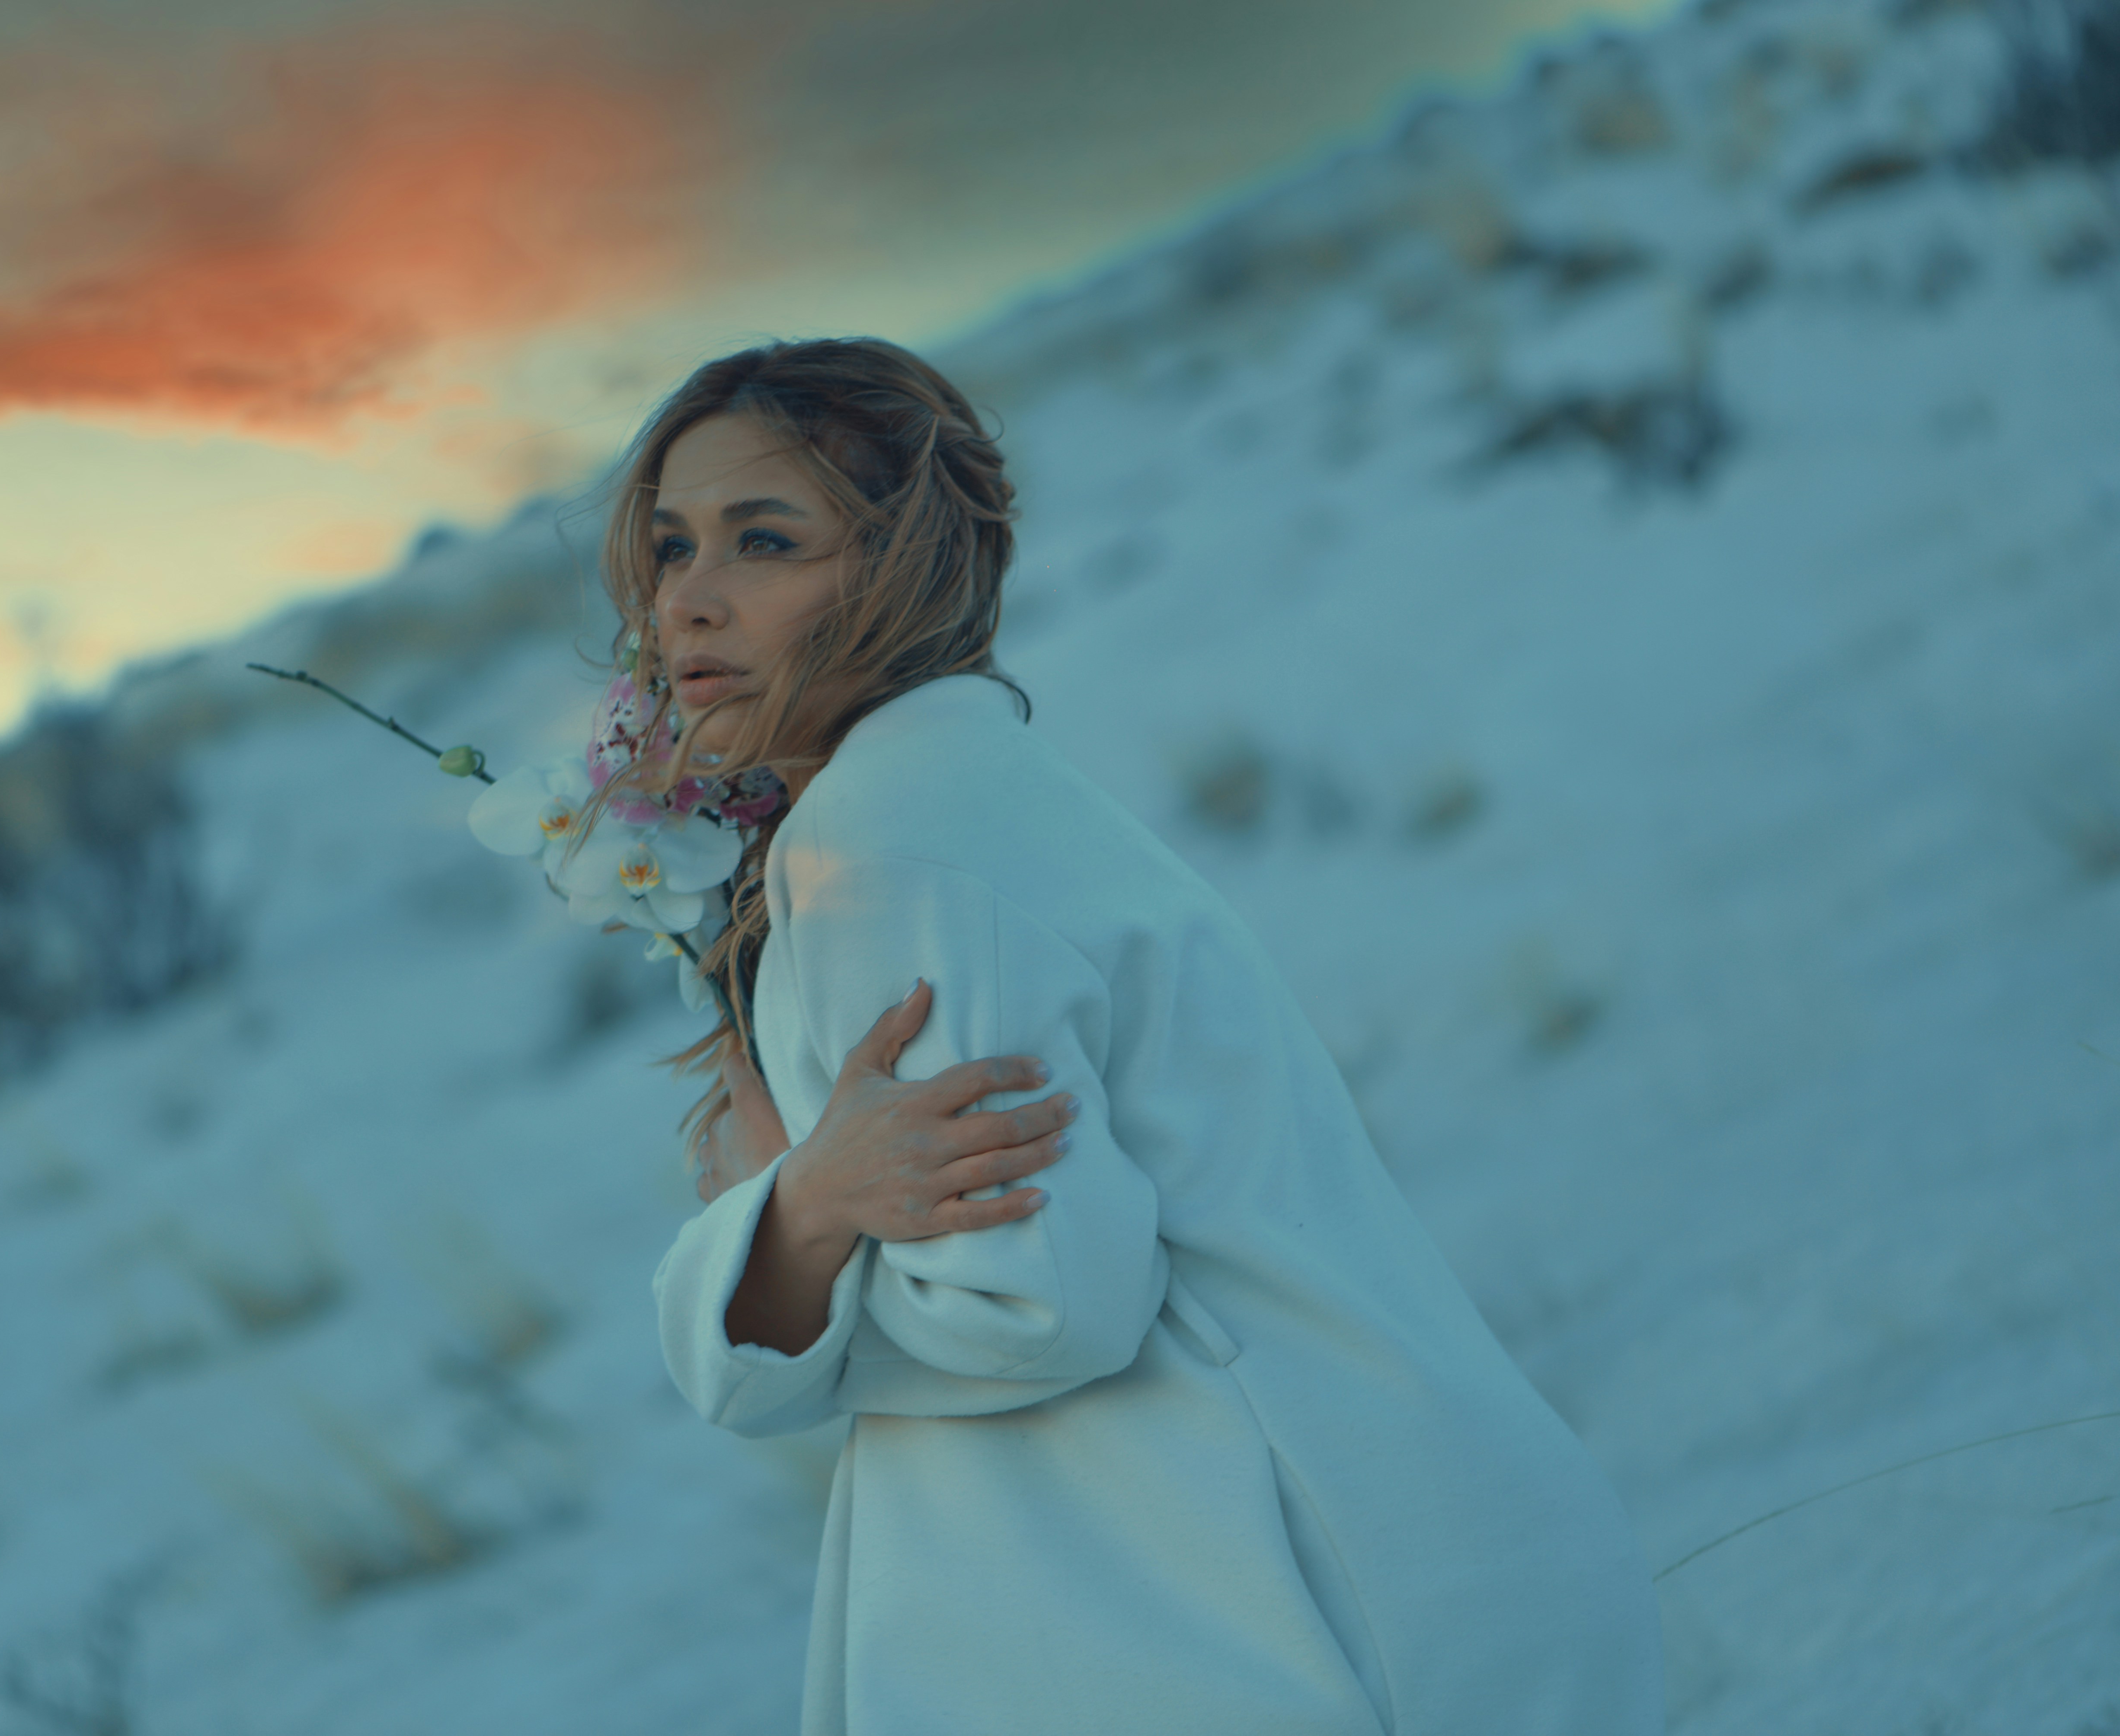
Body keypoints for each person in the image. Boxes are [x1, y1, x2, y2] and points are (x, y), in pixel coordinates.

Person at [591, 337, 1663, 1734]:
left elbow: (1038, 1306)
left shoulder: (890, 851)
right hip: (1404, 1526)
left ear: (902, 561)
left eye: (766, 541)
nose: (694, 601)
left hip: (1269, 1600)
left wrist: (783, 1218)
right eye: (672, 549)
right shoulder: (975, 791)